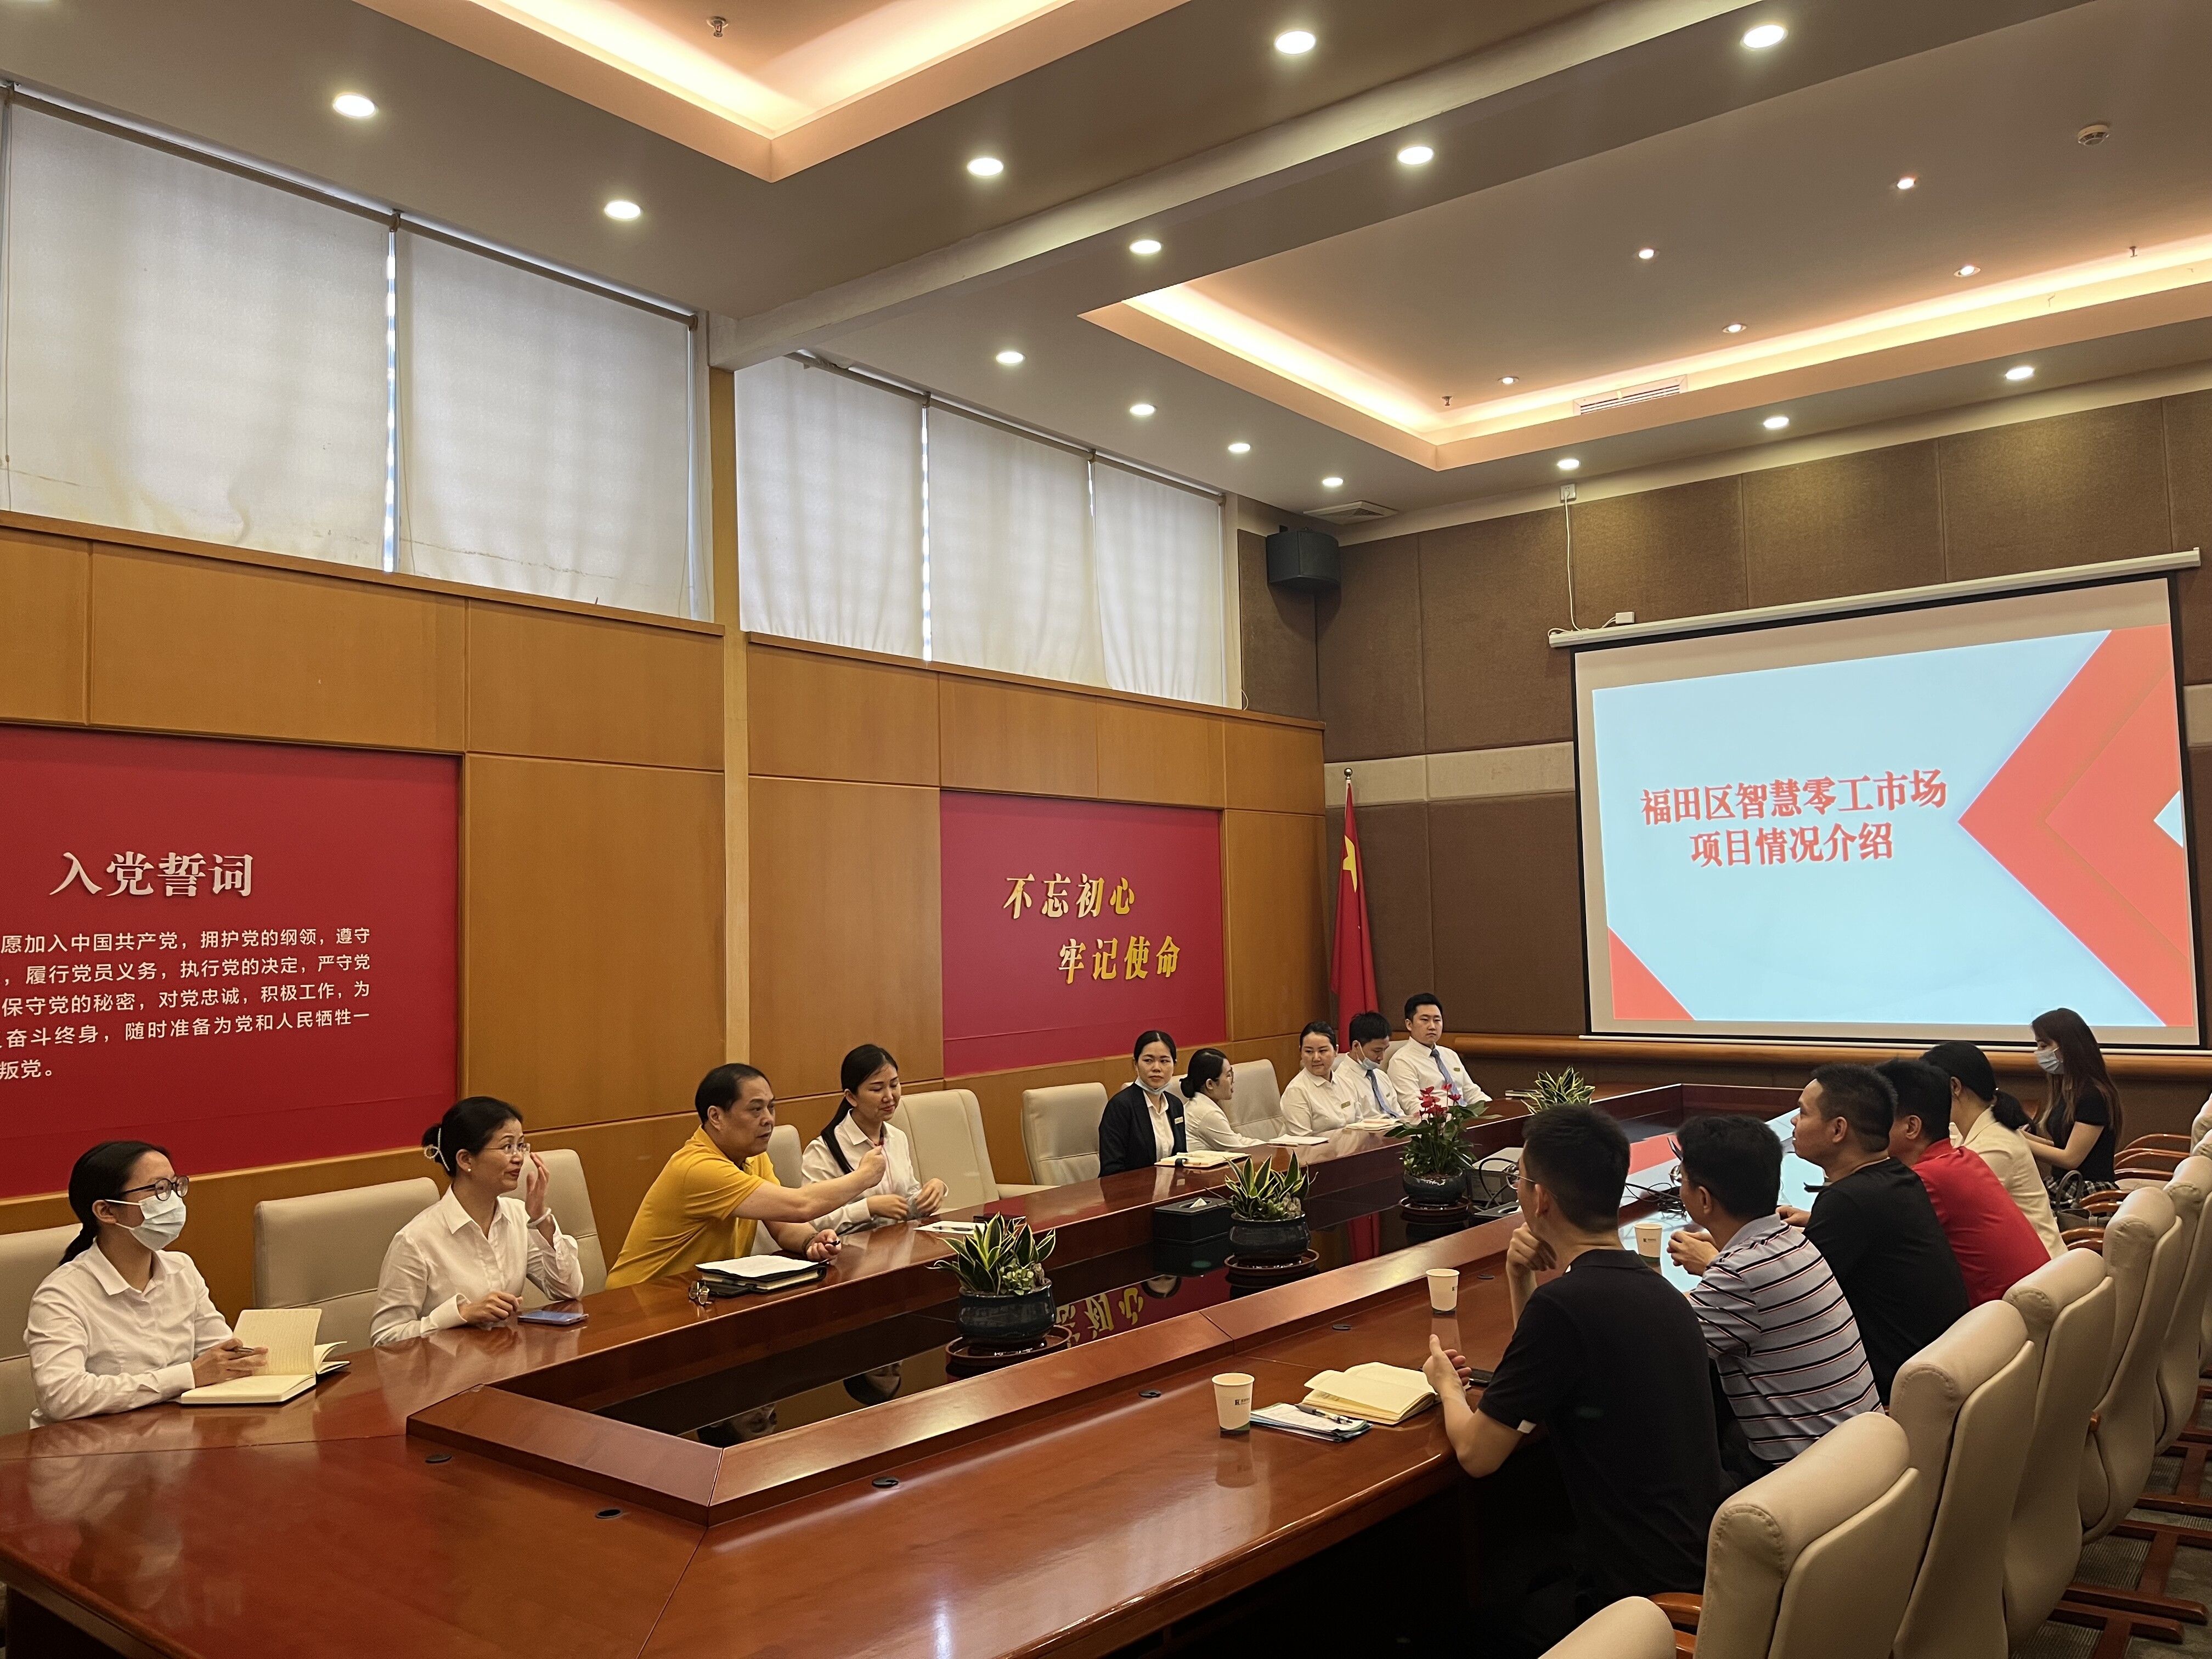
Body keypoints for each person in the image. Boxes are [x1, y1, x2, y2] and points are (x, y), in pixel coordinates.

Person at [1423, 1105, 1722, 1655]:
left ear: (1540, 1199)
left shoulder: (1566, 1307)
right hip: (1690, 1561)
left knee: (1459, 1617)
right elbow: (1538, 1376)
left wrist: (1446, 1385)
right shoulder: (1660, 1290)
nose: (1518, 1192)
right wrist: (1520, 1279)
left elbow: (1478, 1454)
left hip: (1638, 1601)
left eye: (1518, 1181)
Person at [1666, 1113, 1877, 1481]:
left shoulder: (1739, 1274)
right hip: (1860, 1453)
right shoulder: (1794, 1241)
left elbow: (1659, 1345)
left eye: (1681, 1179)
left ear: (1703, 1199)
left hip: (1811, 1479)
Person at [25, 1142, 266, 1427]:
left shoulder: (181, 1269)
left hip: (174, 1434)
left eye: (175, 1186)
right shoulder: (60, 1295)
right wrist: (187, 1376)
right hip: (90, 1444)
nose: (174, 1201)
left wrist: (246, 1359)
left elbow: (219, 1355)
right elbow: (61, 1396)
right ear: (106, 1211)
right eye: (159, 1189)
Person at [1782, 1064, 1968, 1402]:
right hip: (1936, 1371)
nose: (1794, 1122)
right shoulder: (1898, 1178)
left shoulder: (1848, 1200)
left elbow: (1789, 1302)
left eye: (1803, 1112)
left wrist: (1714, 1259)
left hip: (1889, 1395)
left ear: (1838, 1130)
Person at [605, 1063, 882, 1288]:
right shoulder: (698, 1168)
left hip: (700, 1293)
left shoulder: (752, 1155)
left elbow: (783, 1223)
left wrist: (811, 1241)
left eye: (771, 1107)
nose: (769, 1119)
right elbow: (800, 1206)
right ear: (716, 1117)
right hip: (640, 1300)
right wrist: (864, 1176)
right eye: (755, 1109)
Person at [371, 1097, 585, 1346]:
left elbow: (567, 1291)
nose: (519, 1158)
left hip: (509, 1357)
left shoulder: (519, 1216)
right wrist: (460, 1314)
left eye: (521, 1145)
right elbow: (385, 1338)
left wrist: (541, 1219)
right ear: (465, 1160)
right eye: (507, 1147)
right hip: (448, 1367)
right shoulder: (415, 1240)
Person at [1876, 1059, 2051, 1307]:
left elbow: (1874, 1244)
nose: (1866, 1126)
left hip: (1999, 1317)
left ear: (1912, 1127)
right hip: (2020, 1305)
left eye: (1875, 1118)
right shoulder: (1962, 1159)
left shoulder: (1927, 1179)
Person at [1922, 1041, 2064, 1259]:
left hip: (2036, 1265)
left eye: (1928, 1090)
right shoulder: (1969, 1128)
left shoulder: (1994, 1147)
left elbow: (1948, 1216)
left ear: (1955, 1087)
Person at [800, 1045, 947, 1231]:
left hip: (899, 1242)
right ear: (851, 1097)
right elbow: (814, 1221)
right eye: (877, 1089)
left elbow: (904, 1204)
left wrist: (930, 1194)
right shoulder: (823, 1150)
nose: (889, 1096)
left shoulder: (897, 1137)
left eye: (894, 1085)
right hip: (850, 1247)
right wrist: (868, 1208)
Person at [2023, 1007, 2122, 1215]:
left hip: (2087, 1194)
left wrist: (2018, 1142)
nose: (2039, 1053)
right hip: (2065, 1184)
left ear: (2067, 1048)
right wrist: (2016, 1135)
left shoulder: (2093, 1096)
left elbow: (2071, 1158)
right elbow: (2061, 1146)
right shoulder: (2068, 1090)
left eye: (2044, 1046)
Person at [1098, 1030, 1187, 1176]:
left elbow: (1181, 1158)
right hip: (1131, 1189)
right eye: (1148, 1061)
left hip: (1172, 1188)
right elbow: (1112, 1170)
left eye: (1164, 1061)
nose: (1157, 1068)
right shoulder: (1120, 1107)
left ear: (1174, 1065)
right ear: (1136, 1064)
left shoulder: (1175, 1105)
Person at [1386, 992, 1489, 1118]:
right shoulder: (1402, 1061)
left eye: (1437, 1020)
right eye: (1425, 1020)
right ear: (1409, 1024)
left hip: (1468, 1121)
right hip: (1438, 1124)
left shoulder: (1450, 1054)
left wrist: (1493, 1109)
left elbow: (1472, 1093)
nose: (1432, 1026)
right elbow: (1414, 1108)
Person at [1280, 1021, 1364, 1134]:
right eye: (1309, 1051)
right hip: (1317, 1146)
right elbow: (1303, 1141)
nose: (1316, 1058)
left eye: (1323, 1051)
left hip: (1350, 1145)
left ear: (1336, 1051)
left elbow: (1360, 1127)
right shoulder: (1296, 1091)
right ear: (1301, 1052)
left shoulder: (1346, 1082)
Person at [1180, 1048, 1265, 1152]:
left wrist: (1271, 1145)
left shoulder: (1200, 1104)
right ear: (1210, 1084)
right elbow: (1239, 1151)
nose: (1233, 1081)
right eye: (1228, 1075)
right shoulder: (1207, 1114)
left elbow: (1236, 1139)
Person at [1335, 1009, 1403, 1120]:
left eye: (1385, 1050)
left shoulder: (1381, 1076)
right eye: (1377, 1051)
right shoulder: (1342, 1081)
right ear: (1356, 1046)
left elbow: (1399, 1113)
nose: (1382, 1057)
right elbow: (1353, 1125)